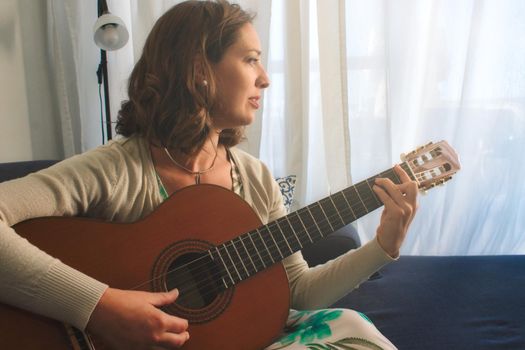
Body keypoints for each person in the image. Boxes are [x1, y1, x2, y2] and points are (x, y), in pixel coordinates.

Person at [0, 1, 418, 349]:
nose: (265, 79)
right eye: (250, 60)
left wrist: (382, 246)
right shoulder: (116, 169)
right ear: (200, 69)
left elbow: (296, 292)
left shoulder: (254, 178)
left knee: (352, 329)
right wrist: (100, 307)